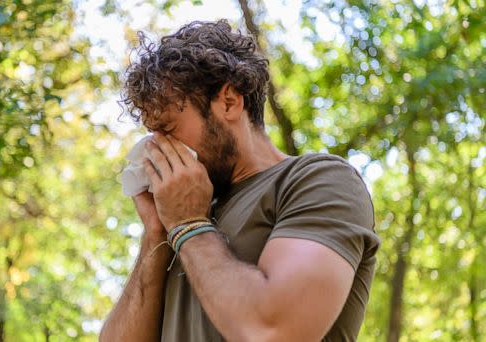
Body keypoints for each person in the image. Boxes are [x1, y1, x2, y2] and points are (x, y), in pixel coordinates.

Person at [100, 19, 380, 342]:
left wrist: (190, 224)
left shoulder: (320, 181)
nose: (156, 150)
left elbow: (273, 331)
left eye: (169, 129)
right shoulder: (179, 219)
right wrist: (157, 234)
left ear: (229, 102)